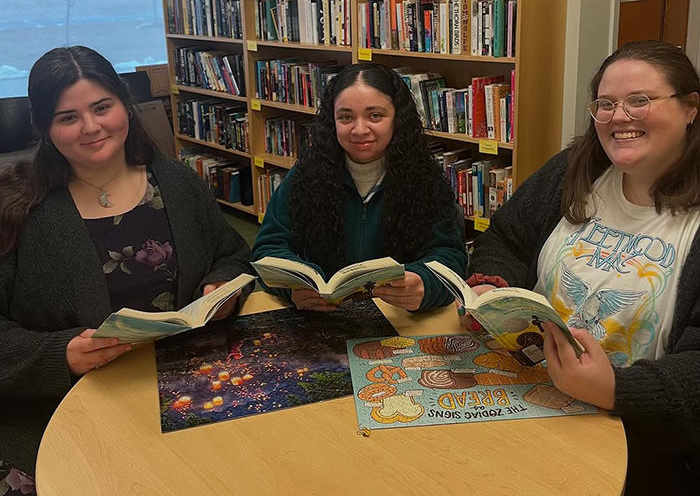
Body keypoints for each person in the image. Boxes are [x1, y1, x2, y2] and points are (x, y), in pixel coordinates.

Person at [0, 46, 253, 492]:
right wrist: (59, 356)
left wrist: (220, 284)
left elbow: (231, 252)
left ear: (125, 106)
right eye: (68, 117)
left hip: (193, 392)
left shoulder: (175, 182)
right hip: (70, 412)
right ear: (44, 127)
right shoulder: (17, 209)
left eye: (102, 107)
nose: (92, 127)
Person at [461, 41, 700, 492]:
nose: (619, 116)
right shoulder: (575, 169)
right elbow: (506, 240)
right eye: (605, 104)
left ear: (690, 109)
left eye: (640, 100)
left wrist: (617, 391)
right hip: (528, 398)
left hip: (639, 442)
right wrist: (496, 289)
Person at [252, 63, 466, 312]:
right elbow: (268, 248)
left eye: (375, 115)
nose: (360, 130)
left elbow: (450, 256)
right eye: (346, 117)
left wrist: (424, 283)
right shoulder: (305, 174)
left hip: (399, 318)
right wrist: (293, 288)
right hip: (323, 318)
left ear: (398, 118)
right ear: (332, 121)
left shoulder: (423, 177)